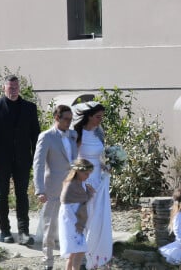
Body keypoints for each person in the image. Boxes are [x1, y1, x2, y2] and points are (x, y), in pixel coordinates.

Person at [0, 75, 40, 245]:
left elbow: (35, 136)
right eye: (10, 88)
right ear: (4, 88)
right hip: (1, 160)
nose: (13, 91)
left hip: (22, 159)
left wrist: (38, 159)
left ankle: (23, 232)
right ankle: (5, 230)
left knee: (22, 195)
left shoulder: (30, 108)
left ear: (19, 88)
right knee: (2, 195)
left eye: (16, 87)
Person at [33, 105, 78, 270]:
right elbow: (38, 165)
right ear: (57, 118)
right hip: (53, 187)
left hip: (73, 187)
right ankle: (48, 262)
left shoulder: (73, 135)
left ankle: (75, 261)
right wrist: (40, 189)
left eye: (70, 119)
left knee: (75, 224)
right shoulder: (46, 137)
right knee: (50, 226)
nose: (69, 122)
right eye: (66, 119)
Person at [72, 101, 112, 269]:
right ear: (89, 116)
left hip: (98, 178)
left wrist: (106, 165)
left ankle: (96, 253)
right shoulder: (78, 133)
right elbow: (73, 158)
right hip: (83, 179)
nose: (100, 120)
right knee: (84, 218)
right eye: (97, 117)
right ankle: (82, 257)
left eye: (102, 117)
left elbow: (99, 156)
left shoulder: (98, 132)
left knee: (98, 216)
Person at [59, 159, 95, 270]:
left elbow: (83, 198)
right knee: (74, 251)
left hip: (77, 221)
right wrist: (74, 223)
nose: (88, 176)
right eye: (86, 173)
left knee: (78, 251)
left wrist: (89, 193)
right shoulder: (70, 185)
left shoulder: (82, 184)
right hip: (70, 221)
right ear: (78, 172)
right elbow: (65, 203)